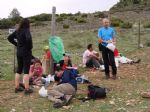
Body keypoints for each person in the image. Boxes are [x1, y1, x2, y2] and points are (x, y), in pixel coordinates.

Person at [7, 18, 33, 94]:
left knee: (19, 70)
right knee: (26, 71)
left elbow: (9, 38)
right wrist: (29, 47)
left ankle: (17, 87)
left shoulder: (17, 31)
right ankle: (27, 89)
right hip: (26, 52)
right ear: (27, 24)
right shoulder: (26, 30)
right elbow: (28, 39)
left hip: (19, 52)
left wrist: (17, 44)